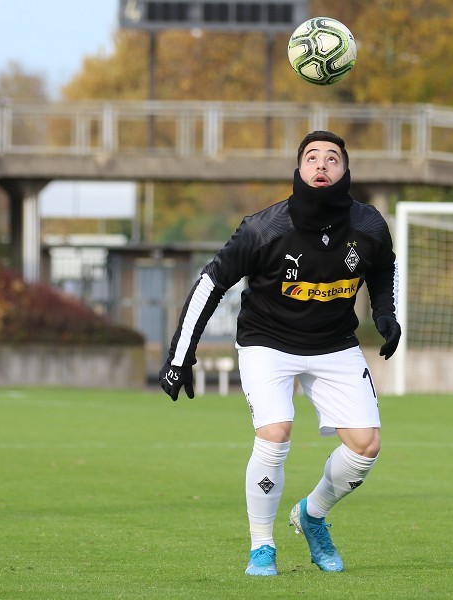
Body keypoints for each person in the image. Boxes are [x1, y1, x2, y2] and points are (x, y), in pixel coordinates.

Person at [159, 130, 400, 576]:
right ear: (300, 170)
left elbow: (384, 266)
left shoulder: (369, 225)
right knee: (275, 433)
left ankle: (311, 515)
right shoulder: (264, 228)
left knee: (366, 447)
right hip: (266, 341)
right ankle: (262, 547)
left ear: (346, 171)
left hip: (334, 344)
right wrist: (180, 355)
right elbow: (211, 283)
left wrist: (386, 314)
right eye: (312, 157)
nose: (322, 164)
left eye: (332, 158)